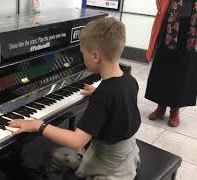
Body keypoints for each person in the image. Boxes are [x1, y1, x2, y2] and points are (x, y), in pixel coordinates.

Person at [9, 17, 141, 180]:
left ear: (95, 56)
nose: (81, 56)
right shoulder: (129, 80)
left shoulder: (104, 95)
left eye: (82, 52)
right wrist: (97, 91)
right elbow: (118, 102)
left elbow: (77, 141)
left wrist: (39, 125)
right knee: (56, 154)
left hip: (109, 171)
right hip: (129, 156)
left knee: (55, 155)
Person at [145, 0, 197, 127]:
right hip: (172, 19)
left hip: (196, 24)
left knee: (185, 69)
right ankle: (161, 106)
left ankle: (175, 110)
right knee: (163, 65)